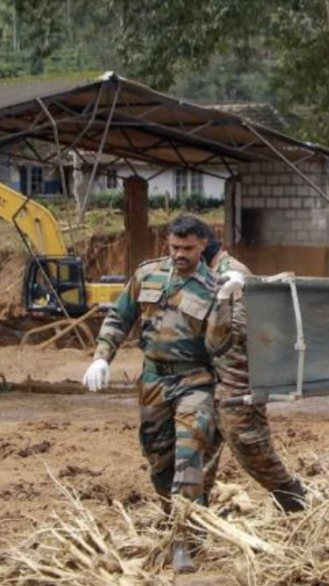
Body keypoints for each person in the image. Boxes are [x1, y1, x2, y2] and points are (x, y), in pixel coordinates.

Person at [81, 215, 241, 573]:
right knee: (159, 461)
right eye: (174, 247)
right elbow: (118, 318)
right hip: (153, 381)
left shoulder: (215, 287)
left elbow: (219, 345)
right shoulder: (147, 274)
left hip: (195, 382)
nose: (180, 254)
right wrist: (102, 357)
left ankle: (182, 540)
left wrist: (226, 302)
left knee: (189, 455)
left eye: (187, 248)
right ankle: (182, 520)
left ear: (203, 245)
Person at [200, 234, 307, 513]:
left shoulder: (231, 274)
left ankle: (297, 502)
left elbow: (235, 336)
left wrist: (233, 389)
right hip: (214, 383)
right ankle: (192, 519)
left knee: (251, 448)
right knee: (199, 453)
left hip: (235, 384)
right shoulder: (211, 273)